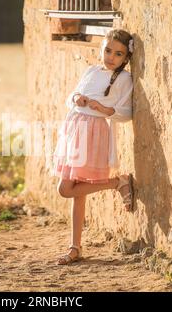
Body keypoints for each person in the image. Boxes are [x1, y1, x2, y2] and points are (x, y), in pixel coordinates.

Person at [51, 29, 135, 265]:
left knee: (66, 189)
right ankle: (75, 247)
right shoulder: (91, 70)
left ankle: (118, 182)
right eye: (108, 50)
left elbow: (126, 113)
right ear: (102, 48)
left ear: (126, 58)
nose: (111, 57)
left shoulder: (124, 79)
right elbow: (72, 96)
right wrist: (76, 98)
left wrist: (102, 108)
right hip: (74, 129)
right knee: (77, 191)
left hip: (94, 132)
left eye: (118, 54)